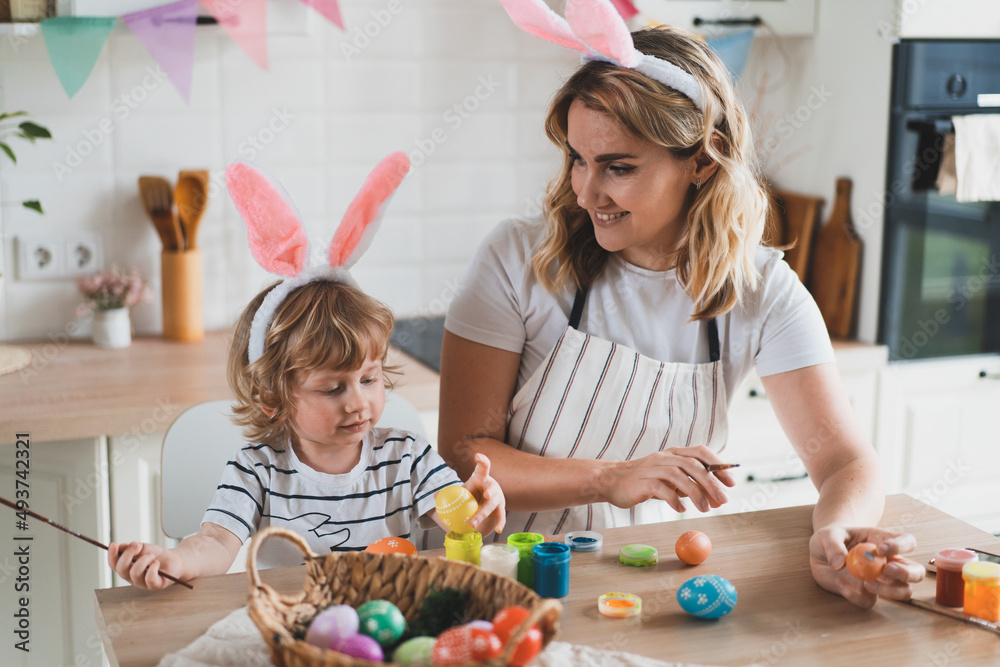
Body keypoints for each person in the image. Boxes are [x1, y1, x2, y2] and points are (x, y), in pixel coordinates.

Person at [438, 12, 923, 609]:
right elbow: (464, 454)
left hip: (652, 591)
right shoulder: (519, 258)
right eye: (577, 158)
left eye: (618, 167)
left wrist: (836, 531)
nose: (586, 192)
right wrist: (612, 479)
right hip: (504, 581)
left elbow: (845, 459)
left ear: (701, 162)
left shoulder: (760, 290)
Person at [110, 155, 506, 590]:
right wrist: (173, 561)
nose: (358, 401)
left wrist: (478, 505)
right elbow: (215, 543)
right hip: (295, 627)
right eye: (333, 387)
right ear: (273, 399)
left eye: (369, 379)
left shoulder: (407, 458)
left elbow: (459, 520)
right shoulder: (256, 471)